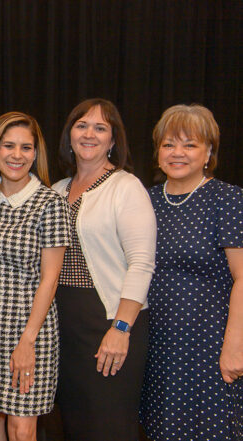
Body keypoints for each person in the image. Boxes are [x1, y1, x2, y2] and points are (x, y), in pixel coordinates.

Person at [0, 112, 70, 441]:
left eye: (26, 147)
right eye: (8, 146)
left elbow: (50, 280)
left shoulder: (50, 204)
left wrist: (27, 342)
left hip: (28, 332)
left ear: (35, 154)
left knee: (22, 429)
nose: (17, 155)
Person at [51, 98, 156, 440]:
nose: (89, 134)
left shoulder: (126, 187)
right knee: (71, 425)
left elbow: (141, 263)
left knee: (106, 426)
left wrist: (121, 328)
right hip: (63, 324)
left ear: (113, 140)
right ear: (69, 135)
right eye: (82, 125)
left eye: (100, 128)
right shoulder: (56, 191)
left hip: (108, 321)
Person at [140, 104, 243, 440]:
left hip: (210, 346)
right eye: (168, 144)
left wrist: (235, 346)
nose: (177, 153)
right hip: (156, 345)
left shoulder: (227, 199)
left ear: (208, 151)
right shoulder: (145, 200)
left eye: (190, 144)